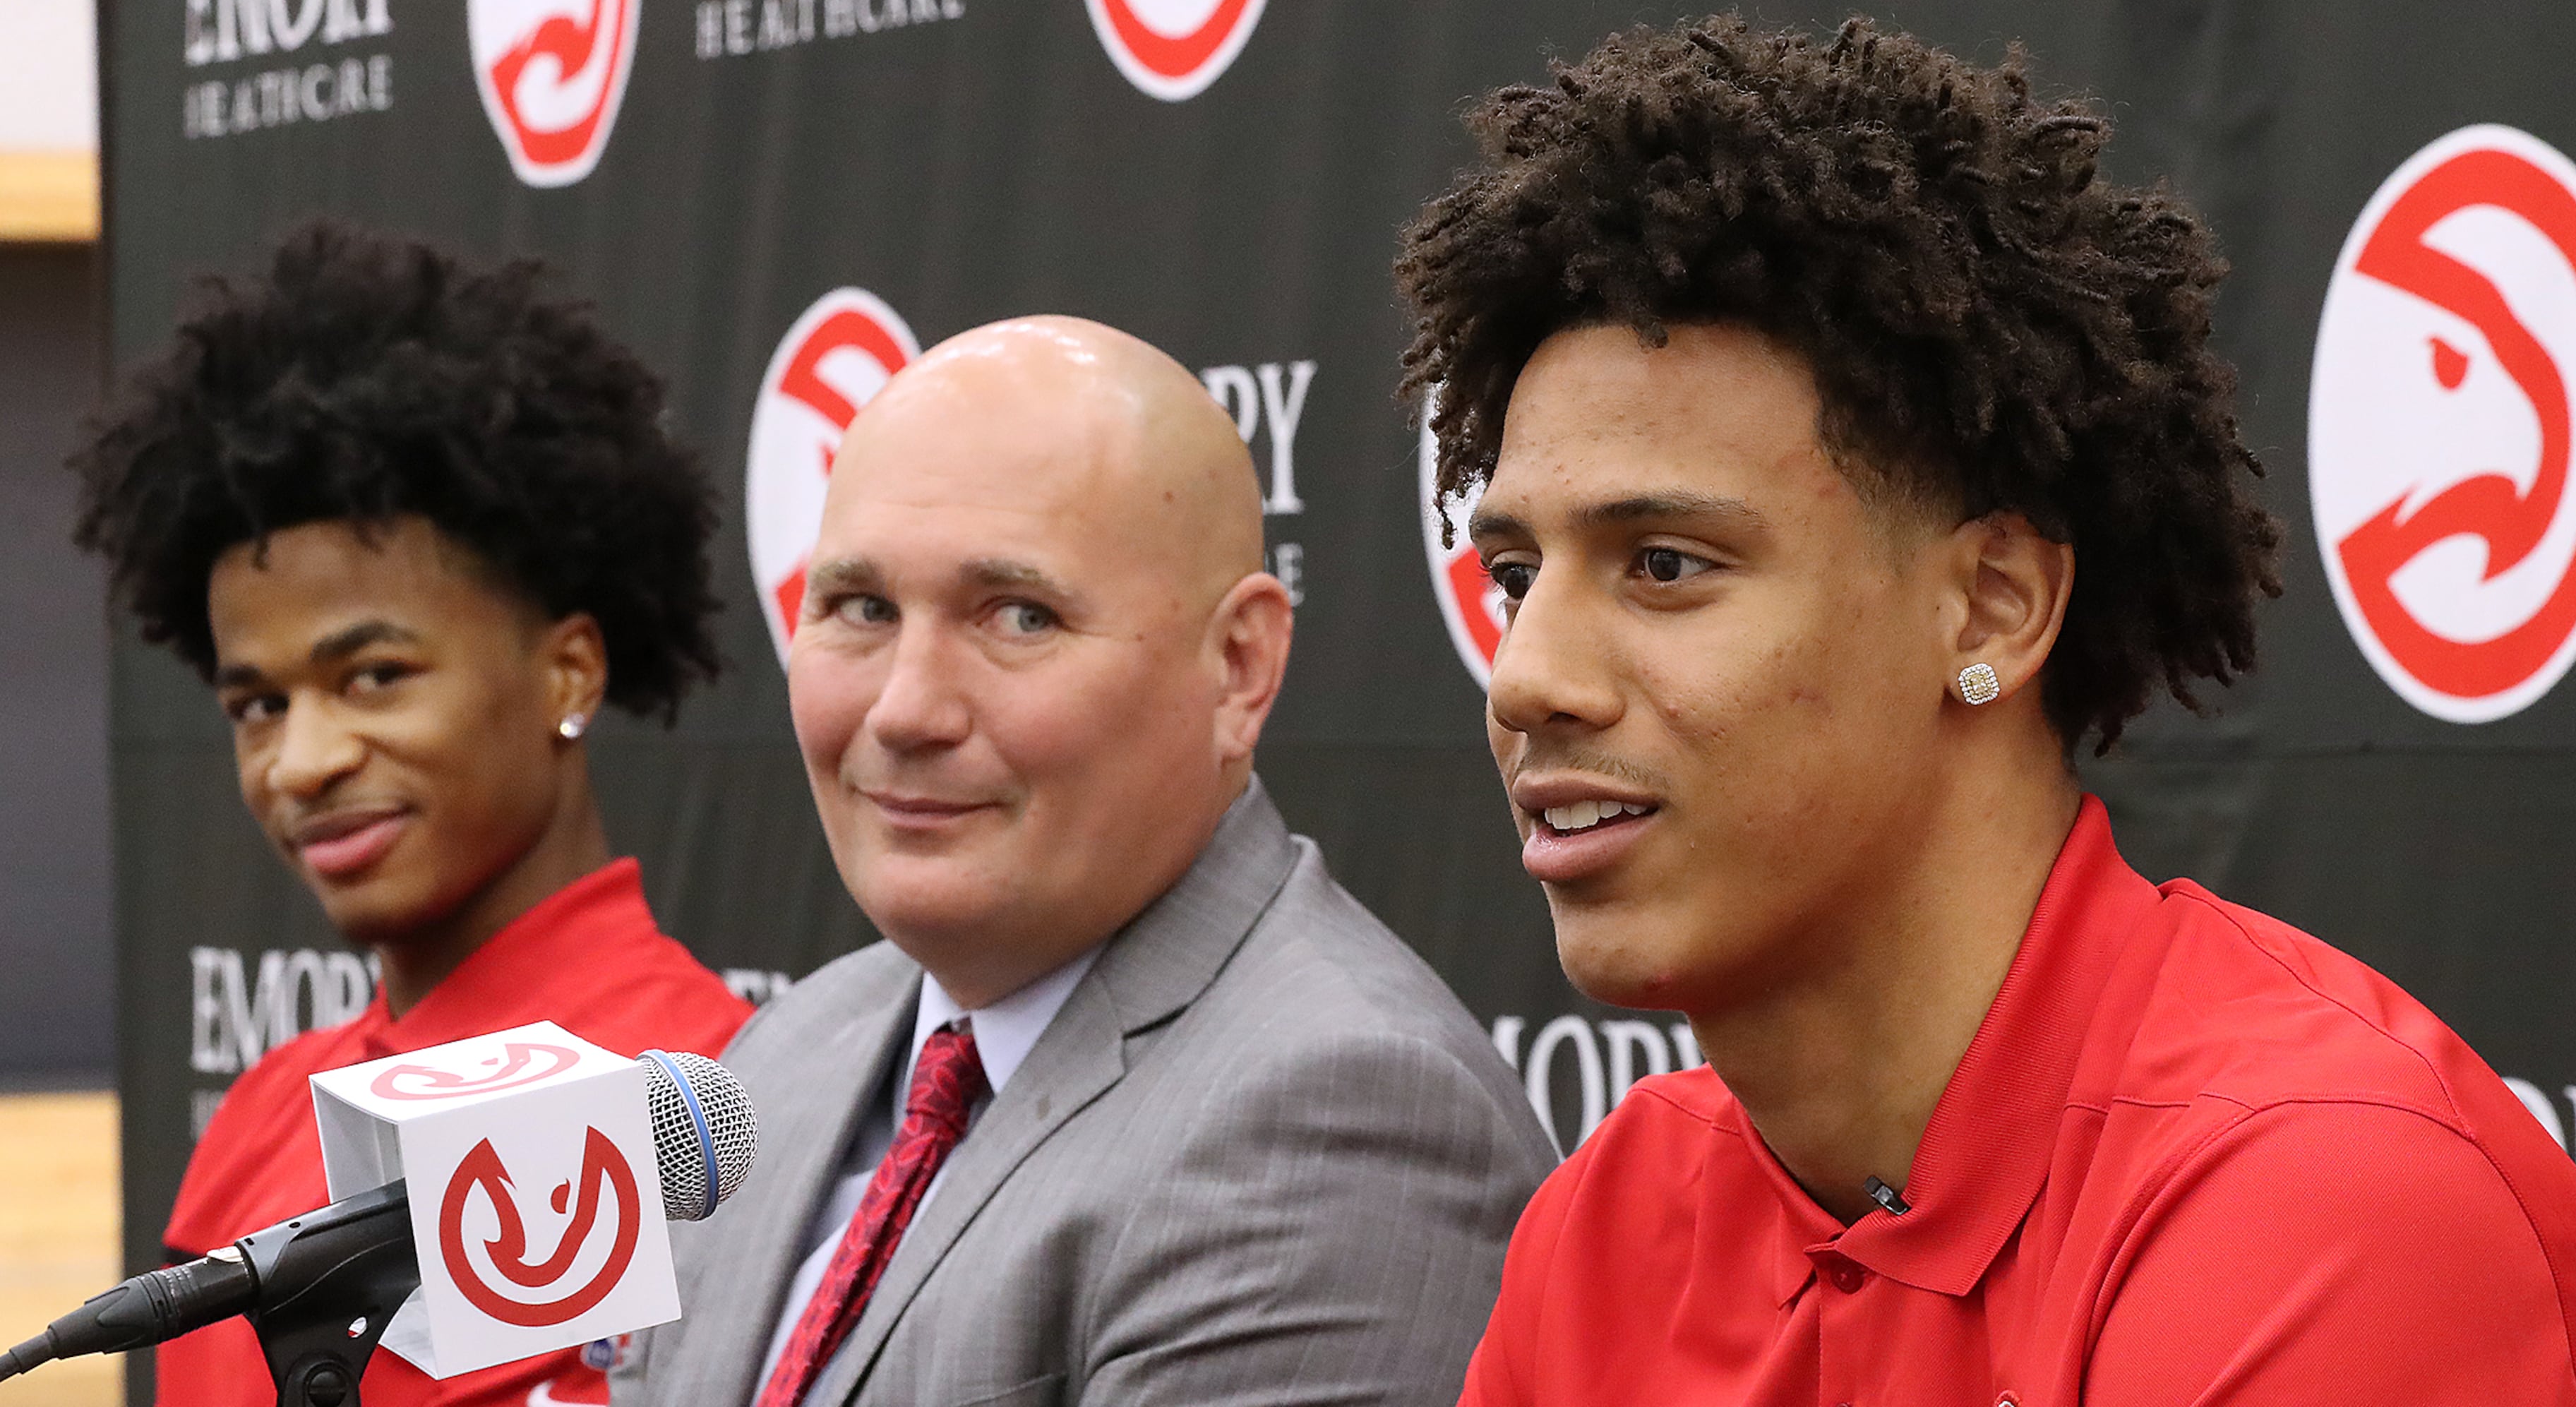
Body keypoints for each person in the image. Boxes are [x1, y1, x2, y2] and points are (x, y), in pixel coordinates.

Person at [1397, 18, 2576, 1406]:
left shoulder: (2324, 1196)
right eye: (1517, 573)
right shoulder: (1612, 1217)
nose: (1526, 675)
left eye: (1666, 565)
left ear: (1995, 606)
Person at [612, 315, 1555, 1407]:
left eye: (1019, 616)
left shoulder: (1341, 1122)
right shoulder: (790, 1048)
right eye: (862, 608)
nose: (906, 708)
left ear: (1239, 667)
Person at [73, 222, 755, 1407]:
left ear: (570, 673)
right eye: (257, 704)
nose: (304, 761)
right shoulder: (263, 1109)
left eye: (374, 676)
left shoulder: (685, 1101)